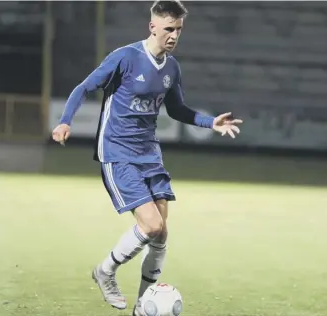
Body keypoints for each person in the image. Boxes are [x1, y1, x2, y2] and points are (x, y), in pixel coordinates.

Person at [52, 1, 243, 315]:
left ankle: (142, 307)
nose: (174, 36)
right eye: (169, 29)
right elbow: (84, 87)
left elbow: (177, 110)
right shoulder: (125, 58)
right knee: (152, 226)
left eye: (179, 30)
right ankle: (105, 271)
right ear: (152, 27)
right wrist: (64, 121)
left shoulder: (171, 67)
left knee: (162, 233)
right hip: (118, 153)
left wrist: (212, 123)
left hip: (149, 155)